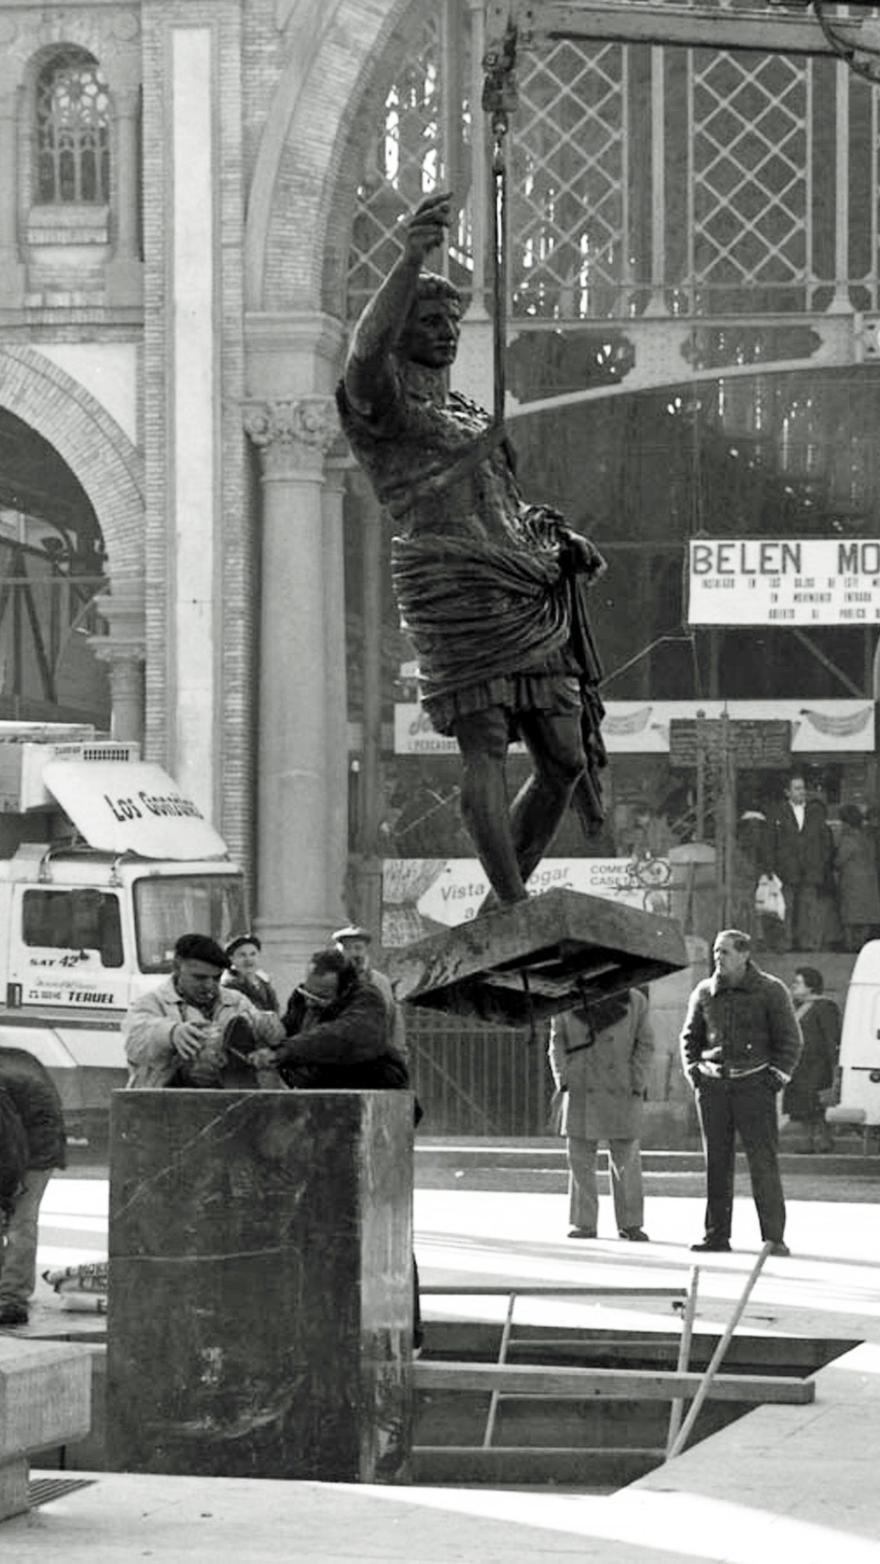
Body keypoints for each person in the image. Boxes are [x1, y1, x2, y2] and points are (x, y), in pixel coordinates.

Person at [337, 189, 608, 907]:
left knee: (565, 757)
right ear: (401, 329)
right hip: (452, 578)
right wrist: (407, 261)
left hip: (521, 581)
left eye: (451, 320)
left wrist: (559, 537)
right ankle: (514, 899)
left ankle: (500, 901)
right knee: (484, 740)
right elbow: (363, 354)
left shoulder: (466, 411)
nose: (446, 331)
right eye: (429, 320)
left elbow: (512, 505)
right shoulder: (384, 405)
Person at [252, 947, 423, 1351]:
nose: (317, 1002)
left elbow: (349, 1038)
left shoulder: (365, 1000)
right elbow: (288, 1030)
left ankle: (406, 1330)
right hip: (322, 1124)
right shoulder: (302, 999)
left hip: (374, 1122)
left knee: (382, 1223)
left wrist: (286, 1051)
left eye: (325, 995)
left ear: (344, 984)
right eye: (313, 995)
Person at [680, 929, 803, 1256]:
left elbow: (790, 1040)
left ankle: (773, 1237)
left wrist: (775, 1079)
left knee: (763, 1163)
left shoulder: (771, 991)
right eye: (717, 951)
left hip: (755, 1086)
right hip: (714, 1088)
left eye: (726, 952)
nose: (718, 957)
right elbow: (690, 1038)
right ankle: (716, 1235)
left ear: (744, 954)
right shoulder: (705, 991)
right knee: (716, 1164)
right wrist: (695, 1074)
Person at [548, 989, 654, 1241]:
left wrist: (636, 1080)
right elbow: (557, 1042)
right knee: (580, 1158)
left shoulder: (634, 1000)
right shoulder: (564, 999)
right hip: (581, 1086)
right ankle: (583, 1222)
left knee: (626, 1158)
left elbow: (646, 1043)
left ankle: (631, 1223)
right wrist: (564, 1077)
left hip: (622, 1087)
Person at [122, 932, 283, 1089]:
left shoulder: (235, 1001)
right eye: (200, 978)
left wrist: (265, 1025)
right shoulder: (152, 1002)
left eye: (216, 978)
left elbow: (274, 1034)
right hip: (163, 1105)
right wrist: (171, 1033)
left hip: (224, 1103)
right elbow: (135, 1040)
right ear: (177, 967)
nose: (209, 986)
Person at [0, 1047, 67, 1325]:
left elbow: (9, 1145)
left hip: (35, 1147)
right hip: (24, 1136)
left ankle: (11, 1301)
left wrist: (6, 1192)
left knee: (20, 1221)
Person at [766, 775, 834, 952]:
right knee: (785, 908)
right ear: (787, 792)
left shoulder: (815, 812)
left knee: (808, 908)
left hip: (811, 869)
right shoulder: (777, 812)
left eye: (803, 788)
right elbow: (770, 841)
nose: (801, 792)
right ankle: (785, 943)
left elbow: (825, 840)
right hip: (785, 869)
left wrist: (821, 861)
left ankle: (807, 943)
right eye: (797, 788)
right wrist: (772, 867)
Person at [331, 924, 407, 1061]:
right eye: (347, 949)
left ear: (366, 951)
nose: (354, 953)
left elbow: (394, 1019)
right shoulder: (329, 982)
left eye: (358, 948)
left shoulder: (381, 982)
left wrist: (399, 1055)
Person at [784, 967, 840, 1153]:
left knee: (815, 1105)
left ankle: (824, 1140)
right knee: (802, 1107)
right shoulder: (798, 1006)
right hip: (799, 1066)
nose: (793, 986)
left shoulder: (825, 1006)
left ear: (811, 986)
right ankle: (808, 1142)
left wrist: (834, 1066)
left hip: (817, 1066)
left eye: (798, 983)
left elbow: (830, 1037)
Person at [834, 804, 880, 952]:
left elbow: (839, 860)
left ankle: (850, 946)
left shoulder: (848, 839)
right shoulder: (868, 837)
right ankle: (861, 944)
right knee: (866, 916)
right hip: (869, 881)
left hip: (852, 881)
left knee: (849, 917)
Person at [223, 933, 280, 1014]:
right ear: (231, 958)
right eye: (242, 955)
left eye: (253, 954)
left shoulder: (264, 984)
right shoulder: (228, 986)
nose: (248, 959)